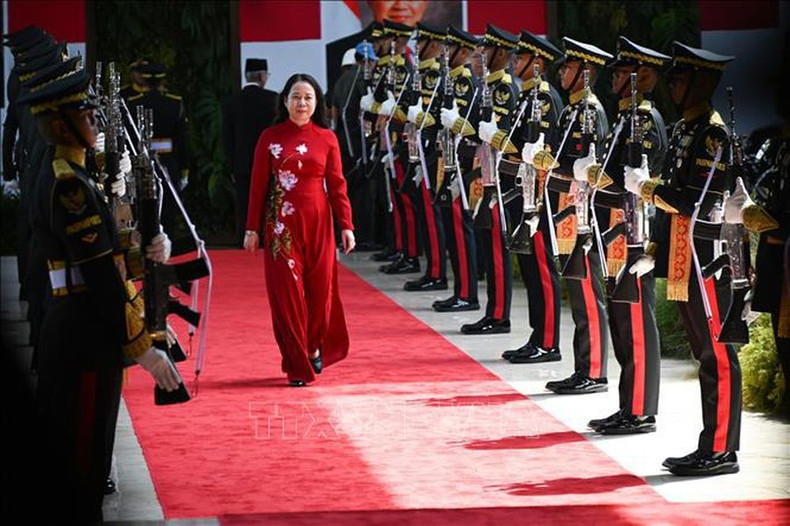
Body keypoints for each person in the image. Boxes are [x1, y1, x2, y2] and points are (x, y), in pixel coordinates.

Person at [18, 65, 180, 521]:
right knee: (83, 458)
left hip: (86, 327)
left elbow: (109, 256)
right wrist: (143, 346)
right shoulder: (69, 184)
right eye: (86, 116)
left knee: (89, 457)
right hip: (83, 334)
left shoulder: (78, 174)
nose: (95, 123)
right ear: (57, 124)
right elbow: (100, 278)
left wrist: (146, 247)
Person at [623, 42, 740, 476]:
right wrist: (654, 249)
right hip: (681, 256)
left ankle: (722, 448)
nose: (672, 84)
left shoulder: (713, 135)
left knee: (717, 354)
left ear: (703, 83)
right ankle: (710, 442)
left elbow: (691, 200)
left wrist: (645, 188)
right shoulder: (682, 130)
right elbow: (673, 198)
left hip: (706, 258)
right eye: (671, 78)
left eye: (680, 78)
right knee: (702, 353)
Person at [244, 73, 356, 387]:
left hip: (320, 224)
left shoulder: (327, 138)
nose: (301, 103)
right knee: (288, 295)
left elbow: (337, 186)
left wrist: (346, 226)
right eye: (296, 96)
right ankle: (297, 361)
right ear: (285, 100)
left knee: (321, 294)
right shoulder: (269, 137)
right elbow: (258, 187)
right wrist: (252, 229)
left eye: (308, 97)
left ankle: (314, 345)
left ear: (316, 102)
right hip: (281, 225)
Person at [583, 37, 669, 433]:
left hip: (634, 231)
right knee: (621, 319)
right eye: (617, 72)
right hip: (615, 228)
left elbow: (640, 184)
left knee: (634, 318)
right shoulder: (625, 118)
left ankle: (639, 410)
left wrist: (606, 183)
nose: (615, 78)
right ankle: (627, 404)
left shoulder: (644, 121)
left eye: (623, 72)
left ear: (643, 76)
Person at [522, 37, 612, 393]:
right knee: (576, 289)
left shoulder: (590, 111)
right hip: (565, 208)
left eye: (571, 66)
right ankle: (583, 367)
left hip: (584, 211)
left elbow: (588, 167)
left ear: (587, 73)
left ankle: (594, 371)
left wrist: (543, 160)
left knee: (587, 289)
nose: (563, 71)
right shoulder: (572, 109)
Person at [497, 29, 564, 362]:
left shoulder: (545, 99)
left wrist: (507, 144)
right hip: (520, 191)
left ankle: (549, 342)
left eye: (521, 58)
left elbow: (545, 152)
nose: (515, 62)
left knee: (541, 267)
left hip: (537, 194)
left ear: (538, 63)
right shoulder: (526, 98)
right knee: (528, 266)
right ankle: (537, 335)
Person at [460, 24, 519, 335]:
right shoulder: (486, 88)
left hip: (499, 180)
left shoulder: (505, 91)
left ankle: (498, 315)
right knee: (487, 243)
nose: (480, 55)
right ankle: (491, 310)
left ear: (501, 54)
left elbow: (509, 140)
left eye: (486, 50)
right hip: (482, 174)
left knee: (496, 247)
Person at [124, 62, 190, 246]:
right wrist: (184, 170)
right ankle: (166, 244)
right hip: (168, 161)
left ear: (143, 81)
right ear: (162, 81)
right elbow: (183, 140)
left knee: (144, 205)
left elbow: (129, 136)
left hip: (142, 160)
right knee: (168, 206)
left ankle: (145, 243)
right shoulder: (174, 102)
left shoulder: (134, 102)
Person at [223, 58, 278, 247]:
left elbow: (227, 138)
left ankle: (243, 241)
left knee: (244, 204)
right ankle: (267, 240)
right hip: (269, 162)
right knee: (269, 203)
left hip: (242, 163)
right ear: (262, 76)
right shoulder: (273, 99)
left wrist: (231, 165)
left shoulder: (233, 101)